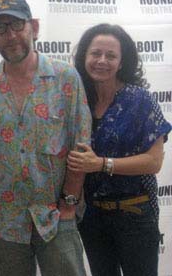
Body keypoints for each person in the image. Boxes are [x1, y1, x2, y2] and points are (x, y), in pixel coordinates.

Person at [0, 0, 91, 276]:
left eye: (17, 25)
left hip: (56, 217)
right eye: (1, 28)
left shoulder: (65, 79)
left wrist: (69, 205)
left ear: (34, 26)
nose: (11, 36)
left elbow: (81, 148)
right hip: (4, 223)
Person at [67, 23, 171, 276]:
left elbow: (153, 162)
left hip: (134, 214)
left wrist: (102, 164)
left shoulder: (140, 99)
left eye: (111, 55)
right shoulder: (76, 99)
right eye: (95, 53)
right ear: (84, 57)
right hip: (91, 217)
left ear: (122, 62)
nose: (102, 60)